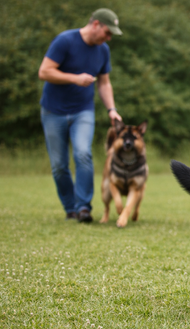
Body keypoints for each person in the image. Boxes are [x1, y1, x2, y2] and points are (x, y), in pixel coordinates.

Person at [38, 8, 123, 223]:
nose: (109, 37)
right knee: (59, 165)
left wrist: (111, 108)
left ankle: (83, 207)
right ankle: (71, 208)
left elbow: (104, 82)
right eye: (107, 32)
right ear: (95, 24)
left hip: (82, 111)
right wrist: (75, 79)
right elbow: (44, 71)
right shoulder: (65, 41)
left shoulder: (103, 50)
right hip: (53, 111)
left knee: (83, 153)